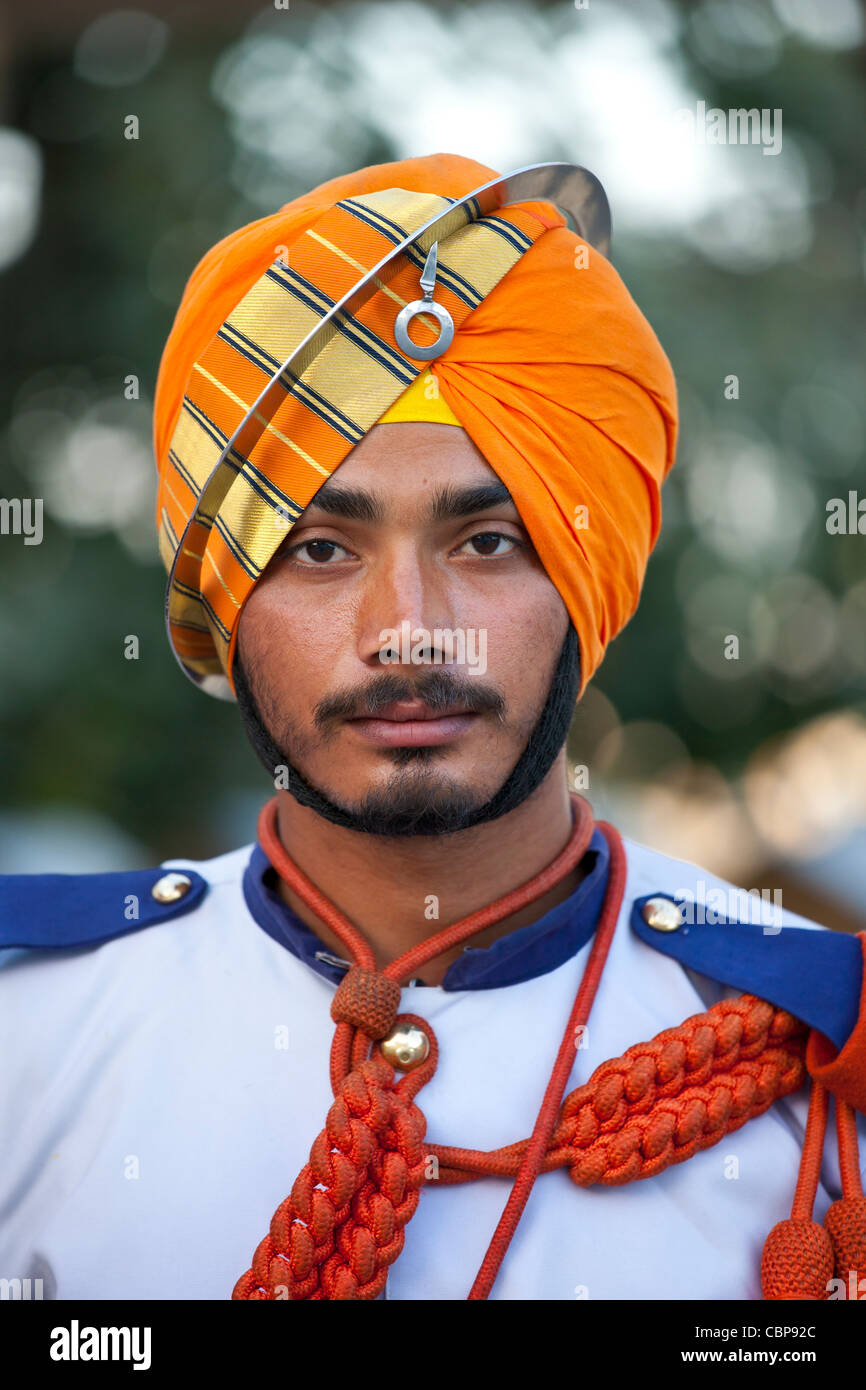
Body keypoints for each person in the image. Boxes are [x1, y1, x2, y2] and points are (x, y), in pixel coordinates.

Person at [1, 153, 864, 1303]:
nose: (408, 632)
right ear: (226, 598)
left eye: (485, 542)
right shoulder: (34, 1026)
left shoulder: (815, 1057)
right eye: (319, 549)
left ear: (587, 582)